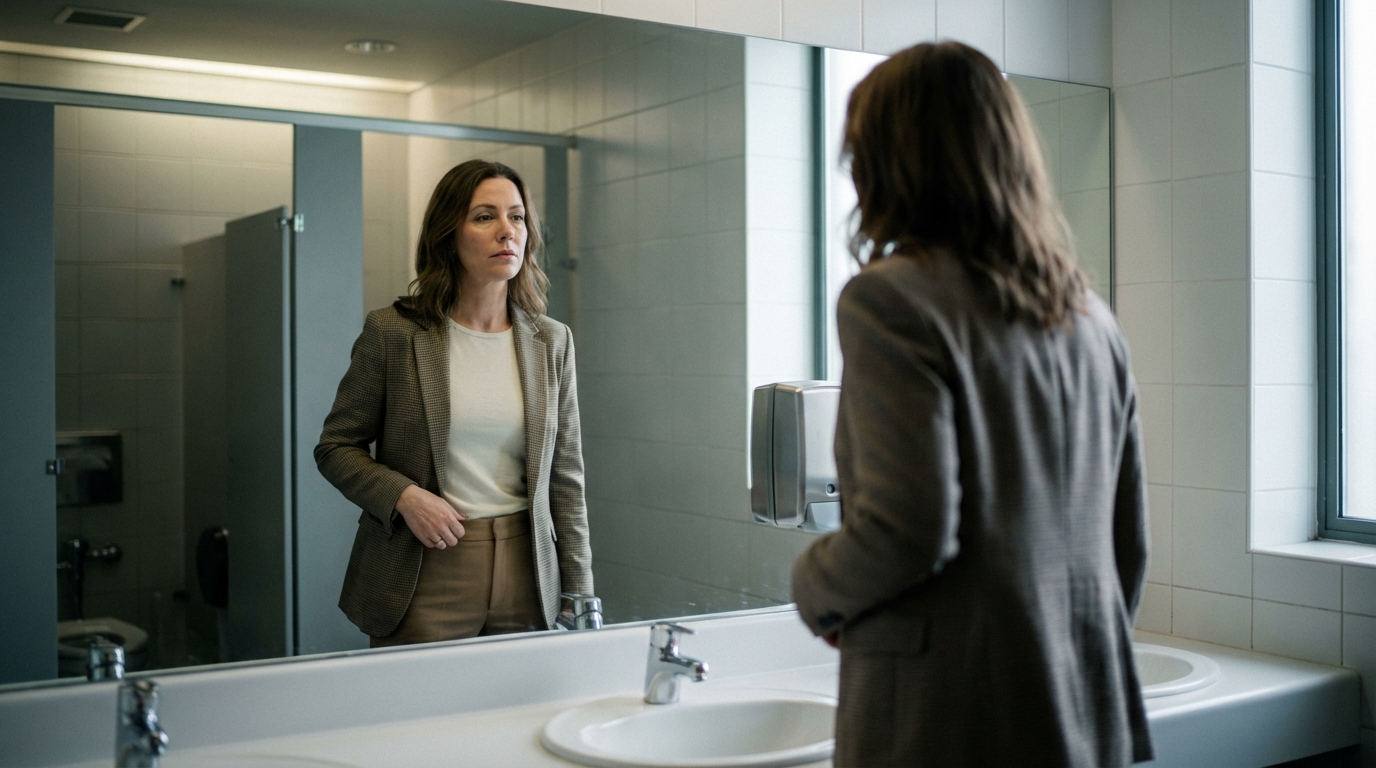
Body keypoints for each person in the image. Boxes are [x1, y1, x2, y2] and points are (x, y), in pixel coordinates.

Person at [790, 42, 1152, 767]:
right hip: (1081, 710)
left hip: (946, 720)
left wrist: (814, 586)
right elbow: (1127, 545)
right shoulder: (1090, 318)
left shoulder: (891, 300)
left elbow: (907, 528)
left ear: (891, 161)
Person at [315, 159, 592, 647]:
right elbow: (336, 447)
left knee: (517, 697)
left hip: (528, 569)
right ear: (449, 234)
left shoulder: (552, 341)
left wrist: (581, 591)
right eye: (485, 217)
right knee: (420, 697)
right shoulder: (393, 332)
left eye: (517, 216)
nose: (507, 230)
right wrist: (403, 496)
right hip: (425, 565)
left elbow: (565, 477)